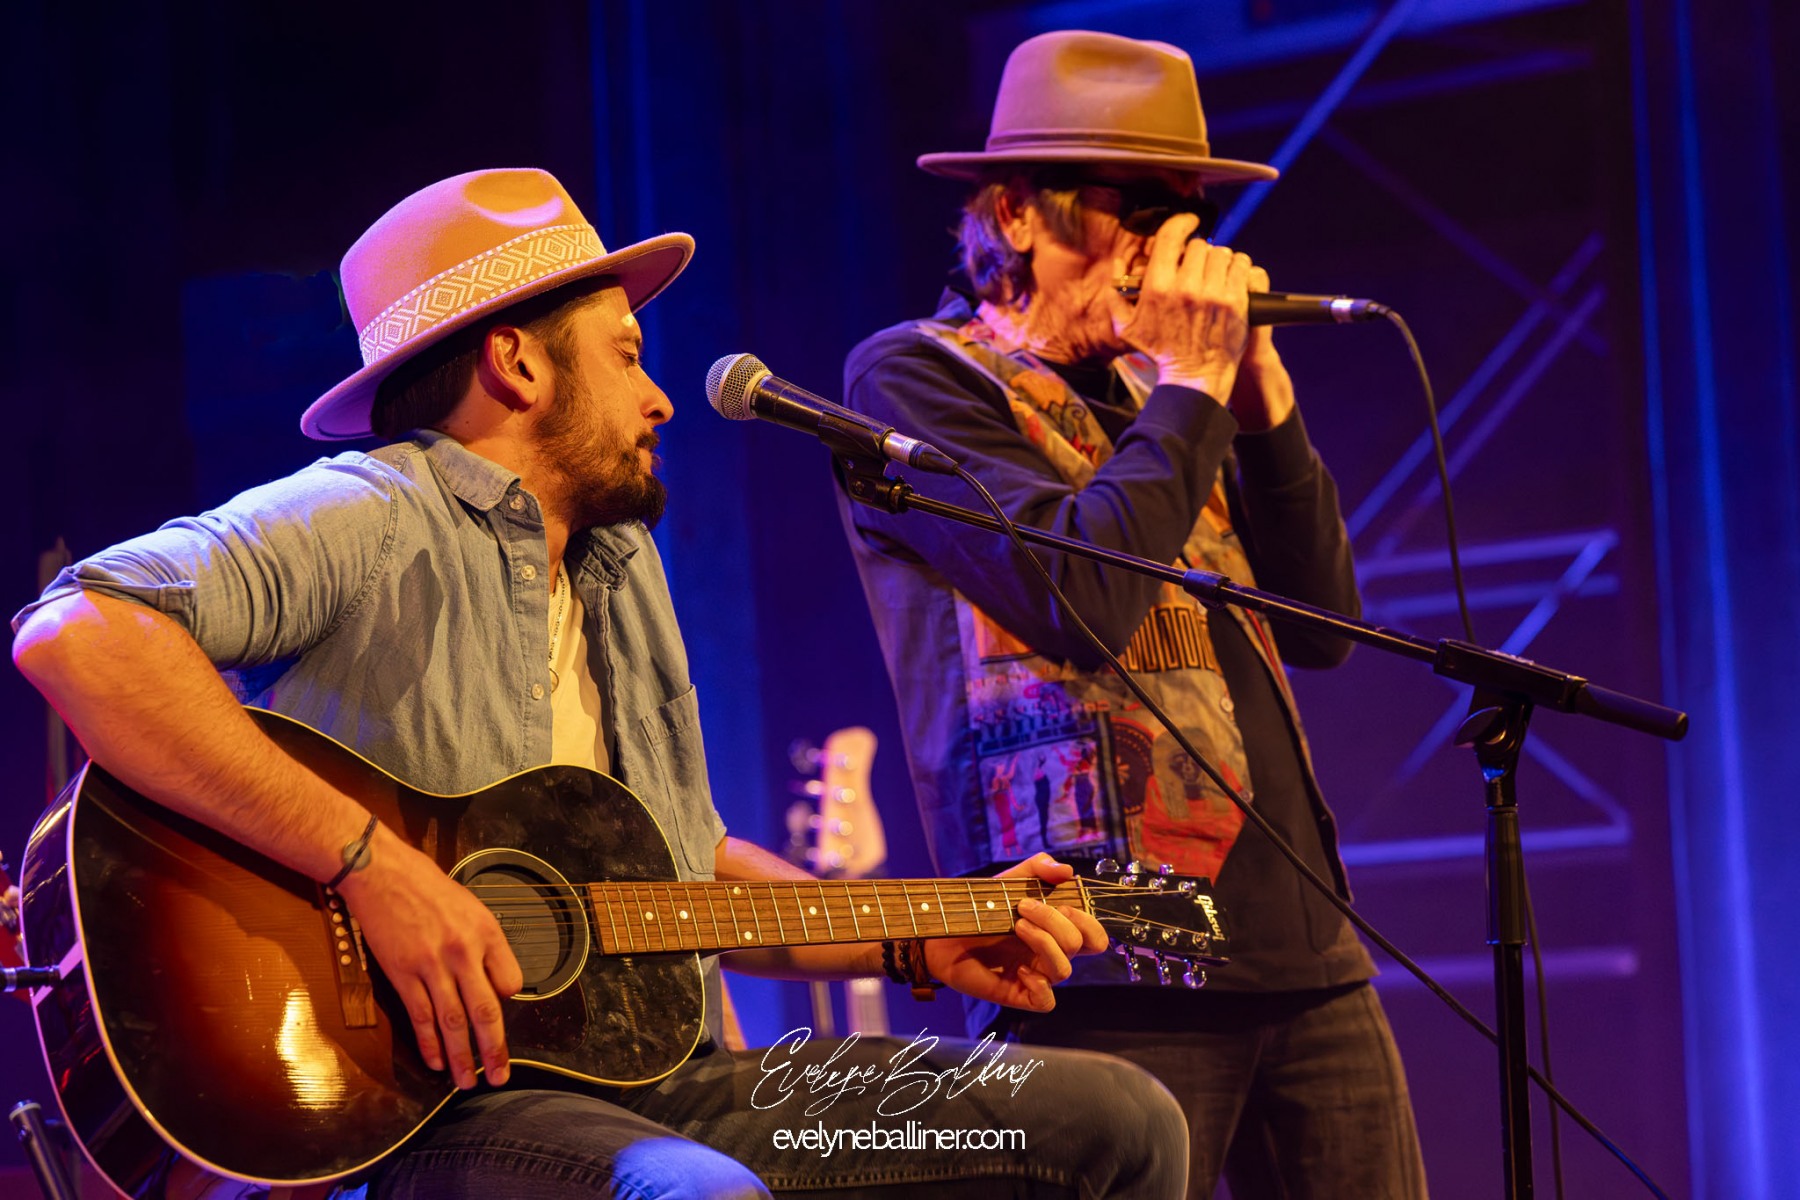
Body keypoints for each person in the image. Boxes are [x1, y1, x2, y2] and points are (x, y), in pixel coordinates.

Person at [11, 168, 1186, 1198]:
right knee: (693, 1193)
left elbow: (681, 876)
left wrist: (915, 936)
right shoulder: (372, 511)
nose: (660, 397)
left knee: (1116, 1121)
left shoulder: (624, 564)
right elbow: (76, 631)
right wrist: (372, 866)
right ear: (518, 363)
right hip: (428, 1107)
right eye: (626, 355)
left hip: (664, 1085)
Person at [836, 31, 1427, 1198]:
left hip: (1305, 954)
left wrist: (1261, 403)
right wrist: (1196, 390)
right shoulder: (914, 380)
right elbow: (1082, 596)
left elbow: (1321, 627)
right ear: (1016, 214)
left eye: (1183, 214)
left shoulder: (1168, 398)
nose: (1166, 248)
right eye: (1131, 209)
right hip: (1103, 956)